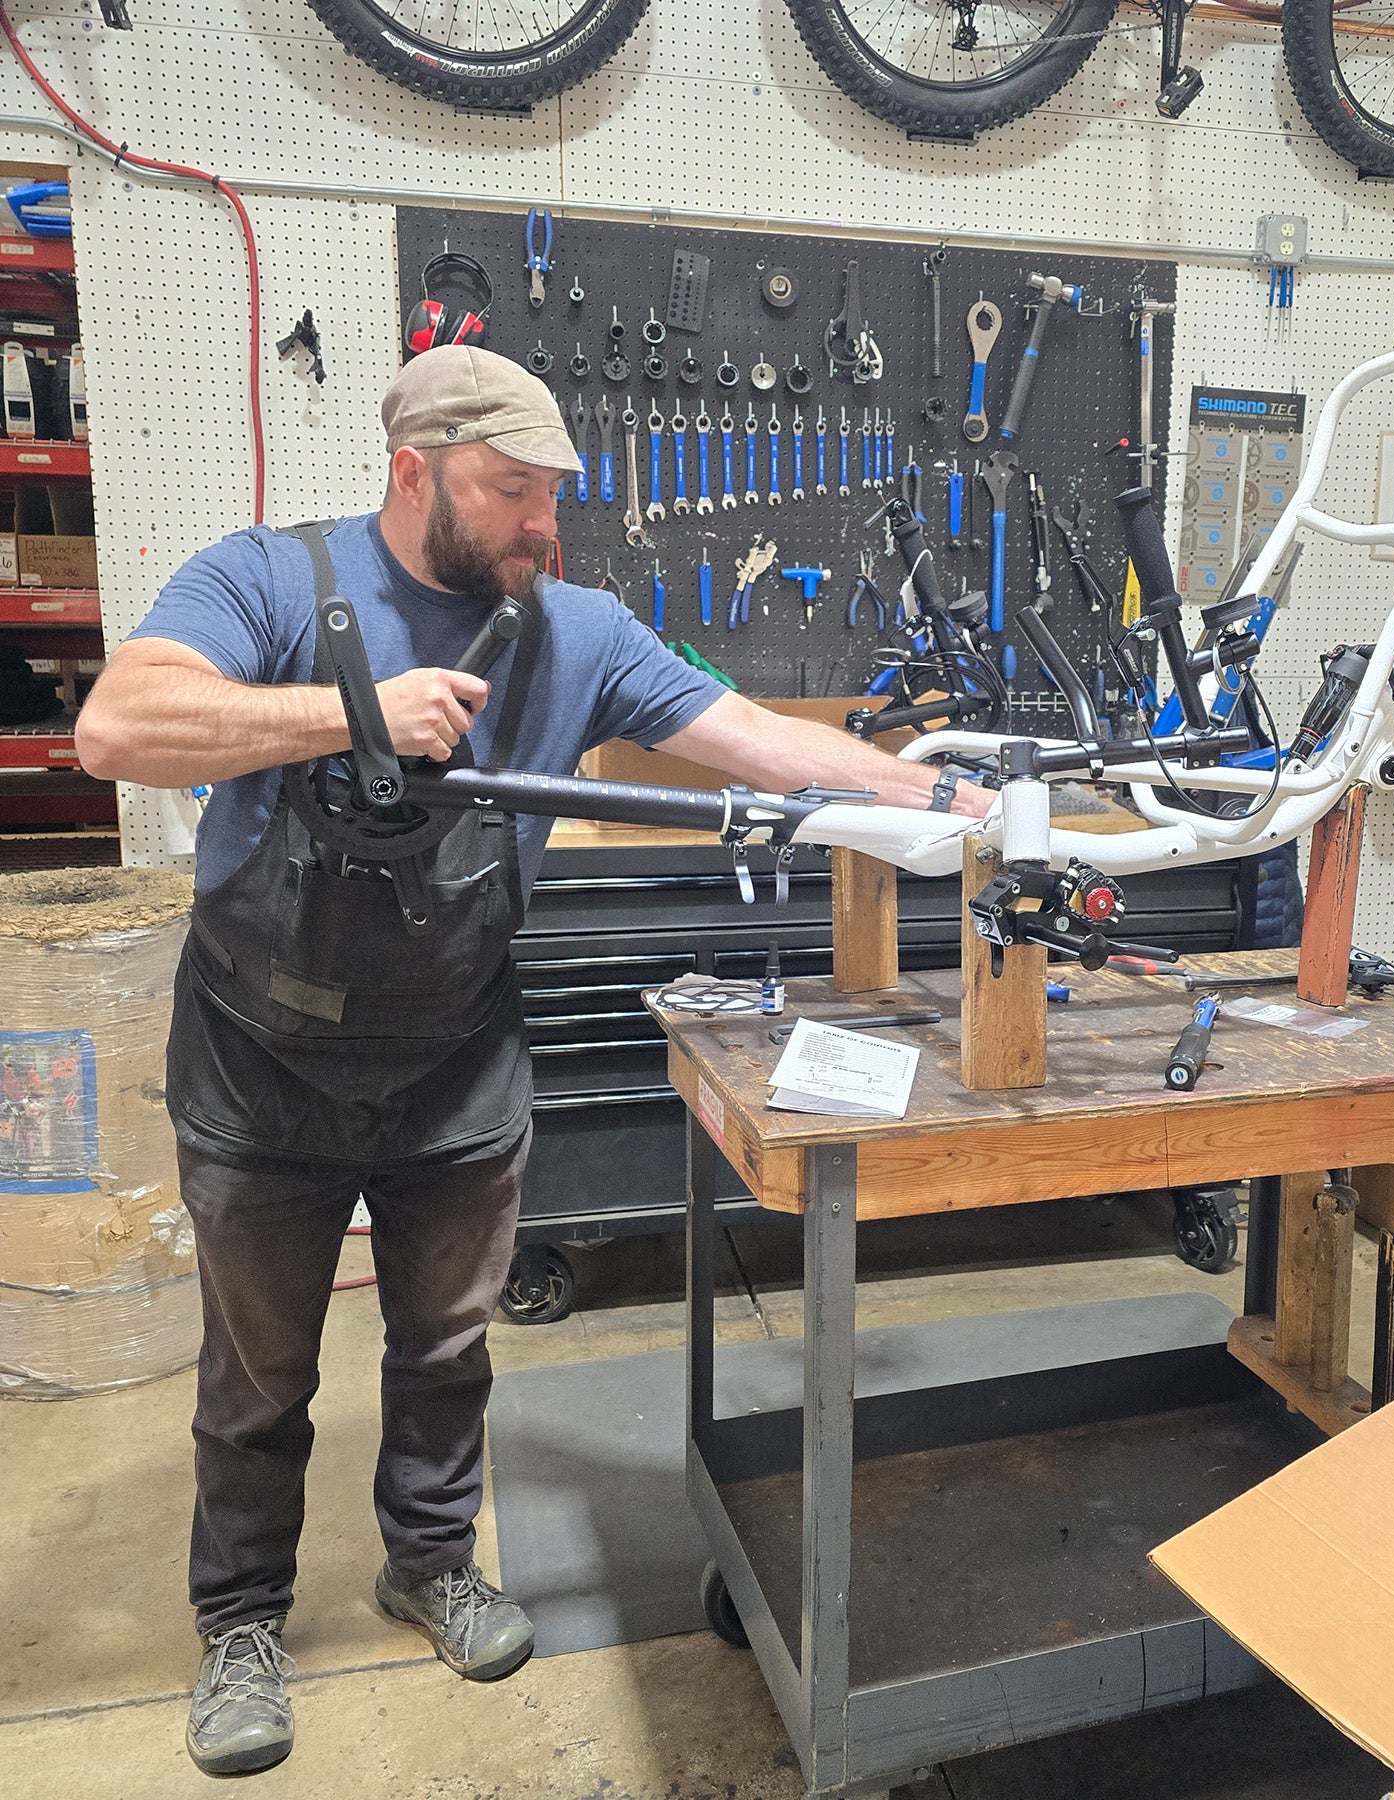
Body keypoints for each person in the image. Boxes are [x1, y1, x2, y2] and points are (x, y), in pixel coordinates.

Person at [74, 345, 989, 1779]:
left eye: (554, 498)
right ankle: (242, 1621)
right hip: (261, 1070)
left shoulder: (578, 630)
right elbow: (117, 726)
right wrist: (354, 711)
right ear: (414, 470)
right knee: (260, 1374)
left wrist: (951, 797)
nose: (541, 530)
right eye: (511, 494)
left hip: (456, 1060)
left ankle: (430, 1563)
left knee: (447, 1351)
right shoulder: (261, 579)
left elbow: (760, 746)